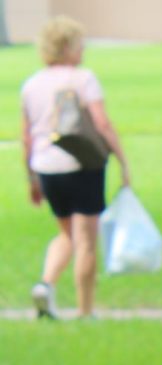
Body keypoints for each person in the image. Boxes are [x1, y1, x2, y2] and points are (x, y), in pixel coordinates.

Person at [20, 16, 130, 320]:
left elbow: (26, 137)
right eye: (80, 44)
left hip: (45, 167)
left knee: (66, 233)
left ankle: (46, 284)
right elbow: (102, 123)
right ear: (67, 46)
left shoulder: (31, 85)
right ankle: (85, 311)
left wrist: (31, 179)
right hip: (81, 164)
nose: (83, 50)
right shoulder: (83, 78)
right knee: (86, 241)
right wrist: (122, 160)